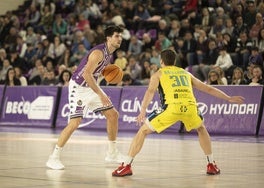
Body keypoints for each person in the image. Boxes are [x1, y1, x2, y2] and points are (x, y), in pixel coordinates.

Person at [112, 49, 244, 177]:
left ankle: (127, 166)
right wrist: (228, 98)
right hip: (190, 107)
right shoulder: (186, 73)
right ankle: (211, 164)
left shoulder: (159, 73)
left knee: (143, 131)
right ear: (174, 61)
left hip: (171, 107)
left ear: (161, 61)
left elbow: (150, 92)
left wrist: (142, 111)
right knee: (201, 129)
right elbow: (208, 89)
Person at [46, 25, 125, 170]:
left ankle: (112, 153)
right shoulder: (98, 53)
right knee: (74, 123)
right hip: (79, 88)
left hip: (90, 86)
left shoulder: (110, 54)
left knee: (113, 115)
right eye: (116, 36)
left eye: (120, 36)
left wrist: (106, 76)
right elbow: (86, 75)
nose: (120, 38)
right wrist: (101, 94)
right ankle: (53, 157)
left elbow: (94, 72)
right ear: (108, 38)